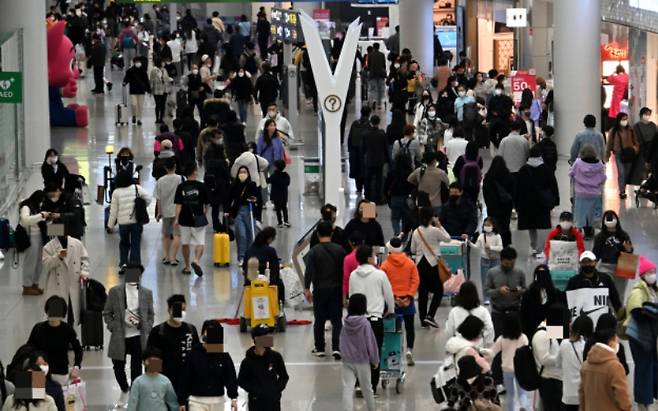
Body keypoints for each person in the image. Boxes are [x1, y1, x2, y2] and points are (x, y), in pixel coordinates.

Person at [103, 265, 154, 408]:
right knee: (118, 365)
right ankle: (124, 389)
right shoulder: (114, 292)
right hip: (120, 334)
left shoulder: (146, 293)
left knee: (137, 367)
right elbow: (107, 313)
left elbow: (150, 314)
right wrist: (113, 326)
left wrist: (147, 326)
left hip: (138, 335)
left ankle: (134, 393)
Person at [348, 245, 395, 395]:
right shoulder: (380, 275)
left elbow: (351, 297)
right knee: (374, 354)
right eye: (373, 254)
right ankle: (372, 387)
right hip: (375, 320)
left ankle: (358, 384)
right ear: (369, 258)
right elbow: (389, 296)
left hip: (357, 320)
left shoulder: (353, 275)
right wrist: (391, 311)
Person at [146, 294, 200, 405]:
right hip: (165, 383)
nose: (182, 312)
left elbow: (197, 356)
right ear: (169, 310)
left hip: (187, 384)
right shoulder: (158, 332)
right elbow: (151, 357)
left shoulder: (191, 330)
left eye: (184, 309)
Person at [304, 221, 347, 360]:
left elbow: (309, 271)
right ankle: (337, 347)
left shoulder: (313, 251)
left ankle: (320, 347)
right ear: (332, 233)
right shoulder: (340, 250)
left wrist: (306, 288)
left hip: (320, 289)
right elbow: (344, 272)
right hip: (336, 289)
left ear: (317, 234)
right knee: (336, 320)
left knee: (319, 319)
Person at [622, 256, 658, 411]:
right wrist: (652, 313)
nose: (653, 274)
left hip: (649, 335)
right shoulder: (638, 291)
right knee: (644, 368)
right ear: (643, 274)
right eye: (649, 272)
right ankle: (642, 403)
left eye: (654, 271)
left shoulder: (652, 290)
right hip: (639, 335)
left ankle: (648, 398)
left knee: (650, 367)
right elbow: (635, 311)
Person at [181, 320, 239, 411]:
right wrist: (182, 401)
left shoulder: (223, 356)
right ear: (203, 335)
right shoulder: (193, 354)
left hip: (217, 402)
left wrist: (233, 398)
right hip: (196, 401)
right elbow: (185, 378)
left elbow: (230, 378)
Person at [27, 296, 83, 386]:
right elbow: (28, 349)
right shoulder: (38, 328)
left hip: (59, 372)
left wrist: (76, 367)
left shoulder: (67, 329)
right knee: (33, 398)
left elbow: (78, 349)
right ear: (47, 311)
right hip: (39, 371)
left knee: (58, 397)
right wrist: (37, 357)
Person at [381, 237, 420, 364]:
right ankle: (409, 350)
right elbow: (415, 280)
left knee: (392, 330)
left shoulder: (385, 265)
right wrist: (409, 296)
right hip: (408, 300)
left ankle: (393, 353)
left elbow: (384, 283)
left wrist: (394, 298)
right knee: (410, 327)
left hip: (393, 301)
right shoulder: (410, 263)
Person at [515, 145, 559, 256]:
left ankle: (534, 245)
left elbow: (517, 188)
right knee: (542, 225)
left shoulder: (523, 169)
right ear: (540, 155)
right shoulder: (546, 169)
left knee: (531, 225)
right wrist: (555, 200)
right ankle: (540, 248)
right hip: (542, 202)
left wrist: (516, 204)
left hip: (527, 202)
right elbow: (553, 185)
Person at [410, 207, 451, 328]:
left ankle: (423, 320)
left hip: (419, 264)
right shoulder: (435, 230)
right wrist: (439, 225)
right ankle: (430, 315)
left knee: (422, 292)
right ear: (431, 218)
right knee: (438, 290)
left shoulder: (416, 231)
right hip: (432, 263)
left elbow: (412, 249)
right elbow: (447, 238)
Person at [339, 293, 379, 411]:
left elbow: (341, 340)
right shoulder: (365, 324)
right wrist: (374, 360)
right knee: (367, 388)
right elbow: (370, 343)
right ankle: (371, 408)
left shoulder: (345, 323)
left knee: (348, 388)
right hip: (362, 361)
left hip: (347, 360)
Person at [579, 328, 632, 411]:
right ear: (611, 343)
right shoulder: (615, 367)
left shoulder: (585, 365)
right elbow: (622, 396)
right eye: (616, 341)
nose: (618, 344)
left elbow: (582, 394)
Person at [238, 324, 289, 411]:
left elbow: (284, 376)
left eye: (269, 334)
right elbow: (241, 381)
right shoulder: (247, 361)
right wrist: (255, 391)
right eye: (265, 335)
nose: (269, 337)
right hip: (256, 404)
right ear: (256, 339)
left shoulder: (276, 357)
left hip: (273, 403)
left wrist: (275, 390)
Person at [107, 171, 152, 271]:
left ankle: (123, 263)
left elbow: (113, 211)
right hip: (136, 221)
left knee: (124, 243)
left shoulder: (116, 192)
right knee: (135, 244)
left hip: (123, 223)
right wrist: (142, 206)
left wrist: (110, 225)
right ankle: (134, 266)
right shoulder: (137, 188)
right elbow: (148, 198)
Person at [42, 233, 88, 326]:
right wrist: (58, 257)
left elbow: (85, 259)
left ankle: (70, 335)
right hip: (57, 286)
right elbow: (46, 266)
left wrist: (84, 273)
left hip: (74, 284)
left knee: (72, 313)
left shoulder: (77, 243)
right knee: (57, 318)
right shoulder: (49, 247)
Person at [490, 312, 530, 411]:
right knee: (522, 394)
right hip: (520, 370)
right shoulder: (523, 337)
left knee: (510, 395)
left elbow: (492, 352)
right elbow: (527, 353)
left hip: (507, 370)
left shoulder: (502, 339)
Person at [532, 303, 569, 411]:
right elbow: (544, 359)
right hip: (549, 381)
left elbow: (560, 343)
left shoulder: (551, 330)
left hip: (557, 379)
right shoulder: (542, 335)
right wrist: (562, 358)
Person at [174, 163, 209, 276]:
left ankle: (187, 267)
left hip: (184, 219)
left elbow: (178, 205)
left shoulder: (181, 187)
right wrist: (205, 213)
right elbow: (207, 204)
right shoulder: (202, 186)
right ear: (195, 171)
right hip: (198, 219)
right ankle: (196, 261)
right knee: (200, 243)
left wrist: (176, 219)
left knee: (185, 243)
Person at [485, 247, 526, 337]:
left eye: (512, 263)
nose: (510, 266)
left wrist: (518, 291)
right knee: (498, 339)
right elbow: (486, 291)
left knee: (515, 339)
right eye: (507, 263)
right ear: (501, 260)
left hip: (515, 312)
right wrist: (498, 291)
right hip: (498, 313)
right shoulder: (492, 273)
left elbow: (525, 290)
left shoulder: (520, 273)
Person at [592, 210, 633, 301]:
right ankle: (607, 312)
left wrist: (628, 250)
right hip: (605, 266)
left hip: (622, 266)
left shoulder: (623, 235)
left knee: (619, 293)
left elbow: (630, 251)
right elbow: (595, 254)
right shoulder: (600, 237)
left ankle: (618, 312)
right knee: (605, 292)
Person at [558, 315, 594, 411]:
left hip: (567, 395)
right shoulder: (588, 346)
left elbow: (557, 364)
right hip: (584, 394)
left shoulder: (564, 344)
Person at [126, 346, 179, 411]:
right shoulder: (138, 382)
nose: (153, 363)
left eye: (156, 361)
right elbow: (132, 403)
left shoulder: (165, 381)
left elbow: (172, 401)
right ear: (143, 362)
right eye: (150, 360)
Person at [520, 265, 567, 338]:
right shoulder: (528, 294)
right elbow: (523, 315)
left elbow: (560, 314)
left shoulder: (556, 294)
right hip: (532, 331)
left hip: (553, 331)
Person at [569, 145, 606, 238]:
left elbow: (571, 173)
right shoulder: (600, 165)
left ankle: (582, 228)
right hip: (595, 194)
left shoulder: (578, 163)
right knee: (592, 213)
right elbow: (603, 179)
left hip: (581, 193)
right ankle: (590, 230)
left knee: (581, 213)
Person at [242, 227, 285, 305]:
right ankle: (279, 307)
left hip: (250, 282)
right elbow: (275, 269)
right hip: (267, 283)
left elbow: (244, 268)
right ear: (269, 238)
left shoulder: (249, 250)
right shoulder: (271, 251)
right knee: (281, 284)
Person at [445, 281, 495, 346]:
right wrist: (487, 344)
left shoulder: (454, 311)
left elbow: (449, 332)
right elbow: (490, 328)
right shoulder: (483, 311)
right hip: (478, 345)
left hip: (460, 346)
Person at [229, 166, 262, 264]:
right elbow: (229, 198)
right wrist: (227, 211)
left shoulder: (252, 185)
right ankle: (241, 257)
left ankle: (250, 256)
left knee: (250, 235)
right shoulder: (234, 185)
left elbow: (259, 199)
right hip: (238, 212)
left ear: (248, 174)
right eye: (240, 172)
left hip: (250, 211)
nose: (242, 174)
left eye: (244, 172)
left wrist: (258, 216)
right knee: (241, 235)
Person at [18, 190, 46, 296]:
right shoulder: (26, 207)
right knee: (30, 262)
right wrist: (41, 216)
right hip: (30, 237)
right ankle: (27, 286)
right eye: (40, 201)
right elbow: (25, 220)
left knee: (39, 262)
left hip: (39, 236)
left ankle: (35, 284)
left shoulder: (37, 207)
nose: (41, 203)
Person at [606, 112, 640, 199]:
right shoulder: (613, 131)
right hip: (619, 154)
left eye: (626, 119)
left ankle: (623, 188)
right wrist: (607, 156)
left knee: (627, 173)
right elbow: (609, 144)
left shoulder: (630, 130)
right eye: (623, 119)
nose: (625, 121)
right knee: (621, 173)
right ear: (618, 120)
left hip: (629, 154)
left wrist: (636, 149)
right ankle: (622, 191)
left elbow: (636, 141)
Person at [482, 156, 514, 247]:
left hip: (493, 207)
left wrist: (488, 203)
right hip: (506, 206)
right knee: (505, 225)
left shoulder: (488, 178)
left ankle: (494, 243)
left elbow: (485, 192)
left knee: (494, 225)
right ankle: (505, 244)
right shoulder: (508, 176)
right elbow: (513, 191)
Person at [155, 161, 183, 265]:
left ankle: (166, 257)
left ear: (165, 168)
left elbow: (158, 198)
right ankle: (173, 258)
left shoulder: (160, 181)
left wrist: (159, 212)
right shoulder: (180, 178)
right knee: (177, 235)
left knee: (166, 235)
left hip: (165, 211)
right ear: (175, 166)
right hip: (177, 211)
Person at [385, 149, 415, 236]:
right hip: (408, 198)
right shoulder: (411, 173)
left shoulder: (392, 172)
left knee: (395, 218)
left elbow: (386, 186)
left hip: (395, 197)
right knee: (406, 219)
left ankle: (397, 233)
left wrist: (388, 198)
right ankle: (404, 236)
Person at [473, 217, 503, 304]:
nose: (486, 226)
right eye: (485, 225)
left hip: (495, 259)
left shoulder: (497, 236)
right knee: (485, 279)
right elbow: (476, 247)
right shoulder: (481, 236)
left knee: (496, 278)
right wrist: (469, 243)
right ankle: (486, 298)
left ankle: (496, 296)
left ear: (493, 226)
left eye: (488, 225)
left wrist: (490, 247)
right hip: (484, 259)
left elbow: (501, 248)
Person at [362, 115, 388, 204]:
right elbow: (385, 148)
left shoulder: (365, 134)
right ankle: (377, 198)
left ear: (371, 122)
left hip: (369, 160)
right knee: (378, 180)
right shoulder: (382, 134)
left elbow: (363, 148)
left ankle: (367, 197)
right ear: (379, 122)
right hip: (379, 160)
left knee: (368, 179)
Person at [347, 106, 372, 194]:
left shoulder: (355, 124)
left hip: (355, 152)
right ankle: (366, 187)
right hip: (365, 153)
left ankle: (358, 188)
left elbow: (350, 138)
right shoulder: (369, 125)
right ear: (369, 114)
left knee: (357, 170)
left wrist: (350, 150)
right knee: (365, 170)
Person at [122, 57, 151, 126]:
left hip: (141, 91)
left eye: (139, 61)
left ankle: (139, 119)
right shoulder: (130, 70)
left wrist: (148, 89)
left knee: (140, 106)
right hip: (133, 90)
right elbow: (126, 78)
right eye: (137, 61)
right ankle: (134, 115)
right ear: (134, 62)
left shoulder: (143, 70)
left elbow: (146, 80)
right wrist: (125, 82)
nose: (138, 63)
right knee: (134, 104)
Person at [342, 231, 364, 301]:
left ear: (350, 242)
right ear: (363, 242)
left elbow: (346, 278)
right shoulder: (370, 256)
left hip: (354, 292)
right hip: (369, 290)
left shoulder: (348, 259)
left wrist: (344, 295)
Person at [149, 58, 172, 124]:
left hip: (164, 90)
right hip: (157, 90)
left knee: (163, 105)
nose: (163, 63)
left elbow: (167, 79)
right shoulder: (154, 70)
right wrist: (150, 89)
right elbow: (151, 80)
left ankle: (162, 118)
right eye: (162, 62)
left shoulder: (164, 70)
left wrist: (169, 87)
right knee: (158, 104)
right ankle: (157, 118)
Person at [366, 42, 386, 109]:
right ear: (379, 47)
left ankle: (374, 101)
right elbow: (384, 65)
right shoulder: (382, 55)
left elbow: (368, 66)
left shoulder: (370, 55)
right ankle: (379, 103)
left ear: (373, 47)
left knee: (373, 88)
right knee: (380, 88)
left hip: (372, 74)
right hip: (381, 74)